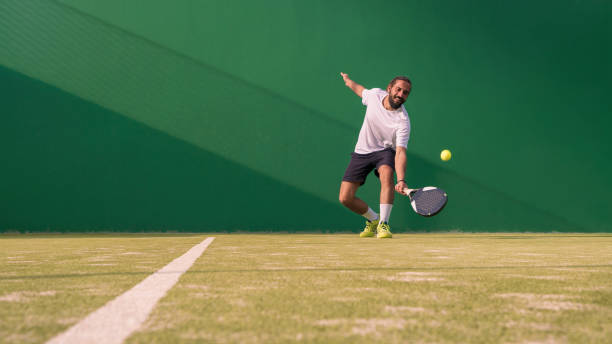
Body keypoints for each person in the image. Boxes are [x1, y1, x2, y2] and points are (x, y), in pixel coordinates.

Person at [338, 72, 411, 238]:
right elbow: (359, 90)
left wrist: (401, 179)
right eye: (398, 90)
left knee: (386, 173)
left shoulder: (403, 121)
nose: (401, 95)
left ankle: (384, 223)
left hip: (385, 151)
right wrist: (348, 81)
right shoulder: (375, 95)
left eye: (405, 92)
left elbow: (400, 151)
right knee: (345, 198)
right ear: (389, 88)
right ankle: (373, 219)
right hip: (362, 150)